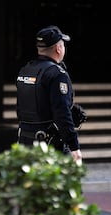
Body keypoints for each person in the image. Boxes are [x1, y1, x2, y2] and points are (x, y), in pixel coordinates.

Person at [16, 25, 83, 163]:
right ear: (58, 48)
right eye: (63, 45)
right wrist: (74, 146)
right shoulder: (57, 74)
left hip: (24, 142)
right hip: (49, 144)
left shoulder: (25, 70)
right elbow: (61, 112)